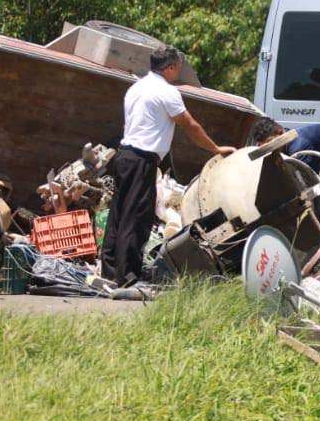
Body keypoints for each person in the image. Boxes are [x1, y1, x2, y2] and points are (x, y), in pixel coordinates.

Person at [100, 45, 234, 286]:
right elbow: (189, 125)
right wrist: (215, 148)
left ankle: (109, 272)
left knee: (118, 214)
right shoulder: (167, 92)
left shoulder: (136, 88)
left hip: (124, 155)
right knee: (136, 217)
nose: (178, 72)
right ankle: (128, 277)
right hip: (142, 159)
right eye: (178, 68)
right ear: (171, 67)